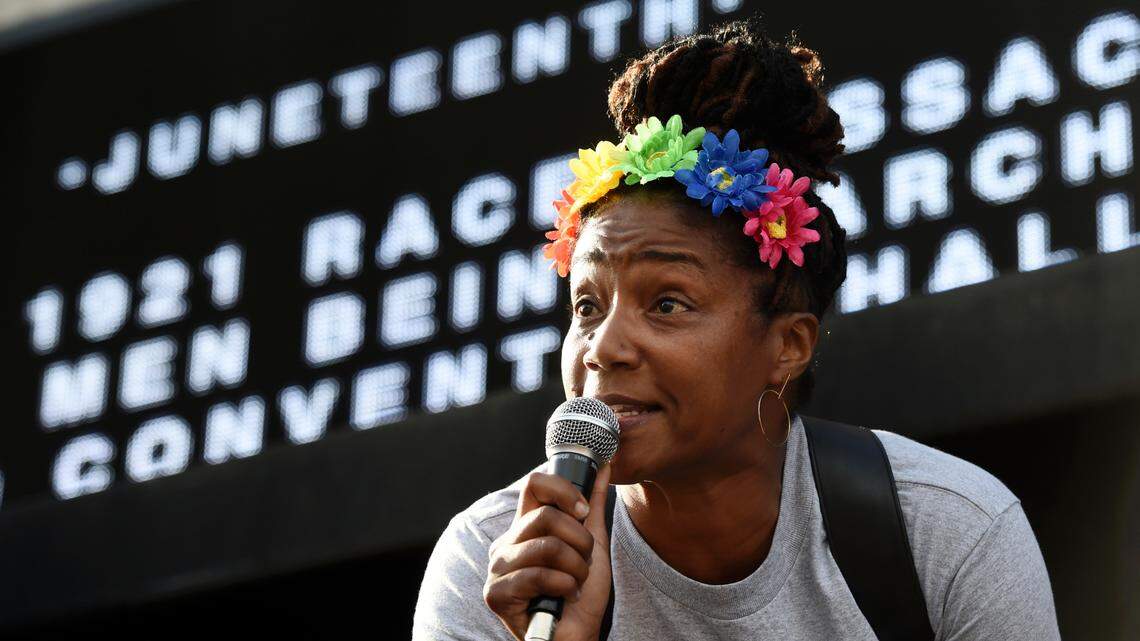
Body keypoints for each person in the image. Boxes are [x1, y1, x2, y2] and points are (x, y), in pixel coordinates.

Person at [412, 16, 1061, 641]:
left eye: (667, 303)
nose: (602, 348)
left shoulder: (947, 531)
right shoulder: (491, 567)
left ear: (788, 346)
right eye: (587, 305)